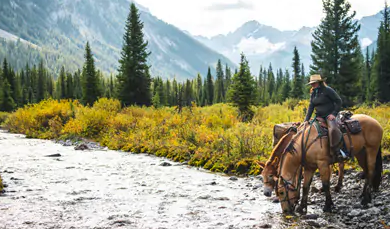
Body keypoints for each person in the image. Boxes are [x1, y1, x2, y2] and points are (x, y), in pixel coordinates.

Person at [304, 74, 345, 161]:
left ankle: (337, 151)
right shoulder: (313, 93)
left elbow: (338, 101)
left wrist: (334, 114)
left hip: (330, 115)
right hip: (319, 117)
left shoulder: (327, 90)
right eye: (312, 83)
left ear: (319, 82)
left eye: (314, 83)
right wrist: (306, 120)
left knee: (332, 130)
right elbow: (311, 107)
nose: (313, 85)